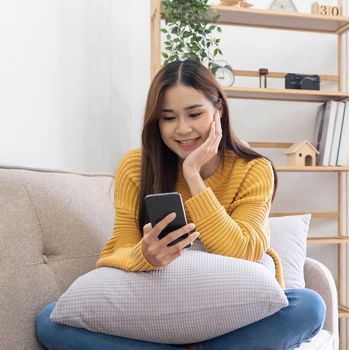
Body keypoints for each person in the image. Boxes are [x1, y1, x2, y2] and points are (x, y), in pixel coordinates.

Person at [35, 59, 326, 350]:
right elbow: (115, 252)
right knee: (51, 321)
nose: (182, 129)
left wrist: (193, 175)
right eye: (168, 118)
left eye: (194, 114)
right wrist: (145, 255)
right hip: (158, 305)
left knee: (309, 306)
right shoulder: (136, 167)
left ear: (218, 111)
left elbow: (245, 251)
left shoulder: (254, 169)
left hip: (235, 309)